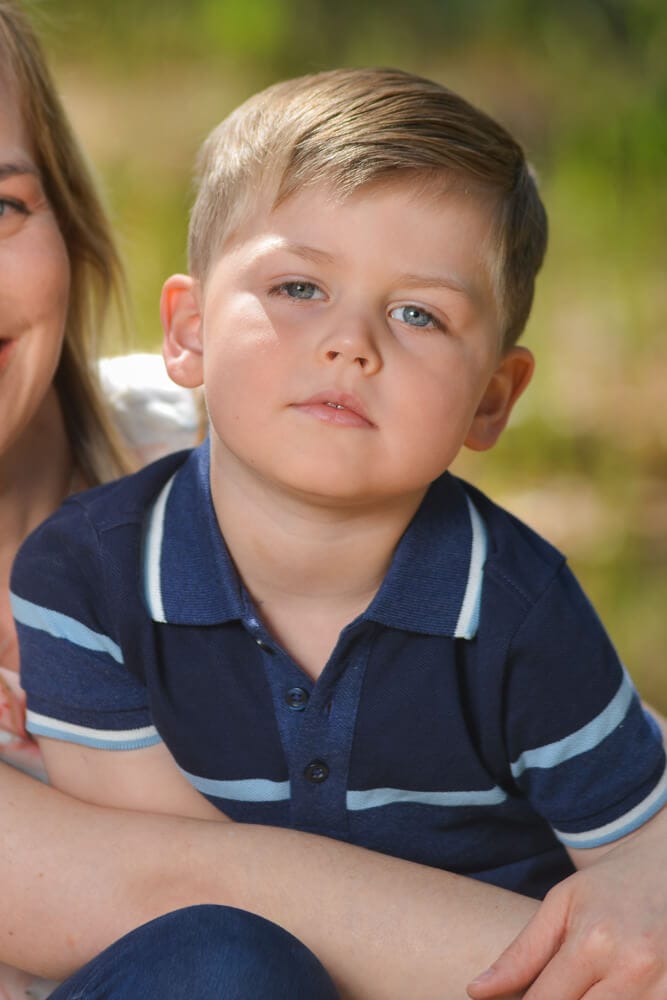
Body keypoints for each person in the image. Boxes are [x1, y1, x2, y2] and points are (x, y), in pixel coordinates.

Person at [11, 63, 667, 998]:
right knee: (218, 956)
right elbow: (174, 880)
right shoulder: (83, 578)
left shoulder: (518, 609)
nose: (351, 343)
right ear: (188, 331)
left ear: (492, 397)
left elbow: (641, 868)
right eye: (297, 287)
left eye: (417, 313)